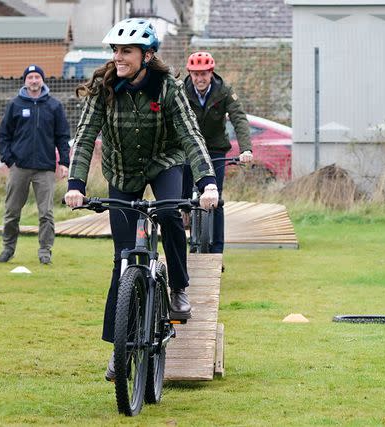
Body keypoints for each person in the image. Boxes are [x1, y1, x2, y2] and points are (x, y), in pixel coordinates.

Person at [63, 19, 219, 380]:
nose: (119, 57)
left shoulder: (167, 87)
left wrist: (207, 181)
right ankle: (120, 350)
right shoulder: (106, 87)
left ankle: (178, 285)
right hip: (122, 171)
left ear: (147, 56)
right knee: (122, 259)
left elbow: (191, 136)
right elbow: (85, 137)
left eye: (127, 52)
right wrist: (76, 183)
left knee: (168, 214)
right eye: (115, 51)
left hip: (164, 162)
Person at [0, 64, 71, 264]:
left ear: (42, 80)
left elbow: (63, 137)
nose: (34, 81)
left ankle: (45, 251)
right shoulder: (15, 105)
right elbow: (4, 135)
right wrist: (9, 159)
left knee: (46, 213)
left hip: (45, 168)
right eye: (30, 78)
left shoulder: (54, 106)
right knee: (12, 212)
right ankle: (8, 249)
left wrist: (64, 162)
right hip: (19, 167)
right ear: (25, 81)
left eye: (37, 77)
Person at [182, 51, 253, 254]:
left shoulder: (224, 91)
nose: (199, 78)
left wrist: (246, 148)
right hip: (188, 146)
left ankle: (217, 250)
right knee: (182, 195)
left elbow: (239, 118)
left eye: (204, 73)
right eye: (195, 74)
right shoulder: (181, 91)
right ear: (190, 74)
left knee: (216, 198)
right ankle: (185, 213)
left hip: (215, 148)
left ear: (211, 73)